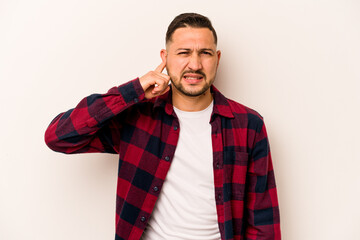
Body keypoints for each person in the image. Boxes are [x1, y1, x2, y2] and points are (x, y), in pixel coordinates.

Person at [45, 13, 281, 240]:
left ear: (217, 59)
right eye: (184, 52)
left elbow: (263, 222)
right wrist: (134, 90)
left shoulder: (248, 125)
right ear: (165, 58)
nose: (195, 64)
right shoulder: (138, 119)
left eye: (205, 53)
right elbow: (59, 136)